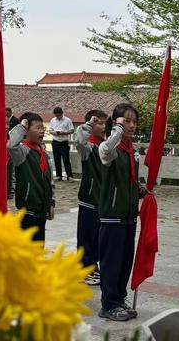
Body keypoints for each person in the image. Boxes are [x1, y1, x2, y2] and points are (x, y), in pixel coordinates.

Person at [98, 103, 146, 322]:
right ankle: (108, 304)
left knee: (125, 261)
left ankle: (119, 298)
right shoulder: (110, 148)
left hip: (128, 215)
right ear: (116, 122)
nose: (131, 125)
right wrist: (116, 131)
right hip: (112, 215)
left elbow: (130, 181)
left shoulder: (131, 151)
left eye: (134, 121)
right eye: (126, 120)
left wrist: (141, 190)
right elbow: (105, 151)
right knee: (111, 261)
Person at [7, 112, 55, 243]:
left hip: (42, 209)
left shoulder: (43, 153)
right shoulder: (22, 152)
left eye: (42, 128)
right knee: (27, 246)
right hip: (27, 209)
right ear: (26, 131)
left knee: (39, 246)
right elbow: (10, 145)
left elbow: (50, 180)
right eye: (37, 128)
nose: (42, 131)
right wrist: (21, 127)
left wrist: (51, 202)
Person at [75, 109, 107, 286]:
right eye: (98, 123)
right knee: (87, 236)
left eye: (104, 123)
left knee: (98, 236)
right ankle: (86, 268)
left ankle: (94, 266)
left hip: (103, 199)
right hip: (89, 198)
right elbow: (79, 140)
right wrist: (88, 124)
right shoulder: (88, 148)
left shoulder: (106, 146)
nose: (103, 126)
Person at [49, 107, 74, 181]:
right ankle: (58, 175)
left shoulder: (67, 120)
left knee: (66, 159)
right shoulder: (53, 120)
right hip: (55, 141)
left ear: (61, 114)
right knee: (56, 159)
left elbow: (72, 130)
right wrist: (55, 133)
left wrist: (64, 132)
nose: (57, 117)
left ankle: (69, 176)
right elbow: (50, 130)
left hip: (64, 142)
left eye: (58, 115)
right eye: (56, 115)